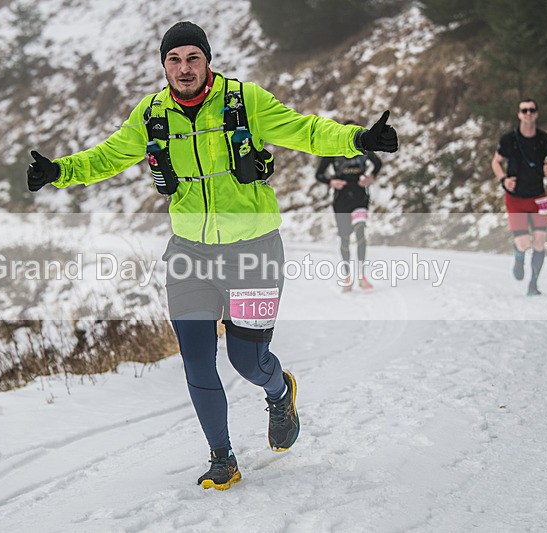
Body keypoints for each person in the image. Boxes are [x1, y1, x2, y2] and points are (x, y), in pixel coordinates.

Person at [27, 21, 398, 490]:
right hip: (189, 255)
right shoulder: (152, 115)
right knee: (198, 361)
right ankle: (222, 457)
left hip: (254, 251)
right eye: (174, 60)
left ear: (207, 61)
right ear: (164, 65)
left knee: (248, 361)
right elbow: (109, 156)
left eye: (192, 58)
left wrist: (358, 140)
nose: (183, 69)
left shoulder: (245, 102)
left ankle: (279, 392)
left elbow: (304, 130)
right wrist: (59, 171)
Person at [491, 98, 547, 296]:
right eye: (524, 110)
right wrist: (504, 180)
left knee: (539, 241)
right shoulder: (509, 140)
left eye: (532, 110)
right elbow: (496, 162)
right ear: (519, 114)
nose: (528, 114)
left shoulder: (545, 139)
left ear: (537, 114)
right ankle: (518, 256)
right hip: (515, 198)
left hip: (539, 197)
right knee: (524, 242)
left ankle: (534, 284)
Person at [315, 133, 382, 291]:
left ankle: (362, 276)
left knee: (360, 233)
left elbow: (377, 163)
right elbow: (318, 174)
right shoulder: (333, 150)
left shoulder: (363, 149)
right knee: (344, 238)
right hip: (341, 200)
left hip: (360, 198)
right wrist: (331, 181)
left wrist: (371, 177)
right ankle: (347, 277)